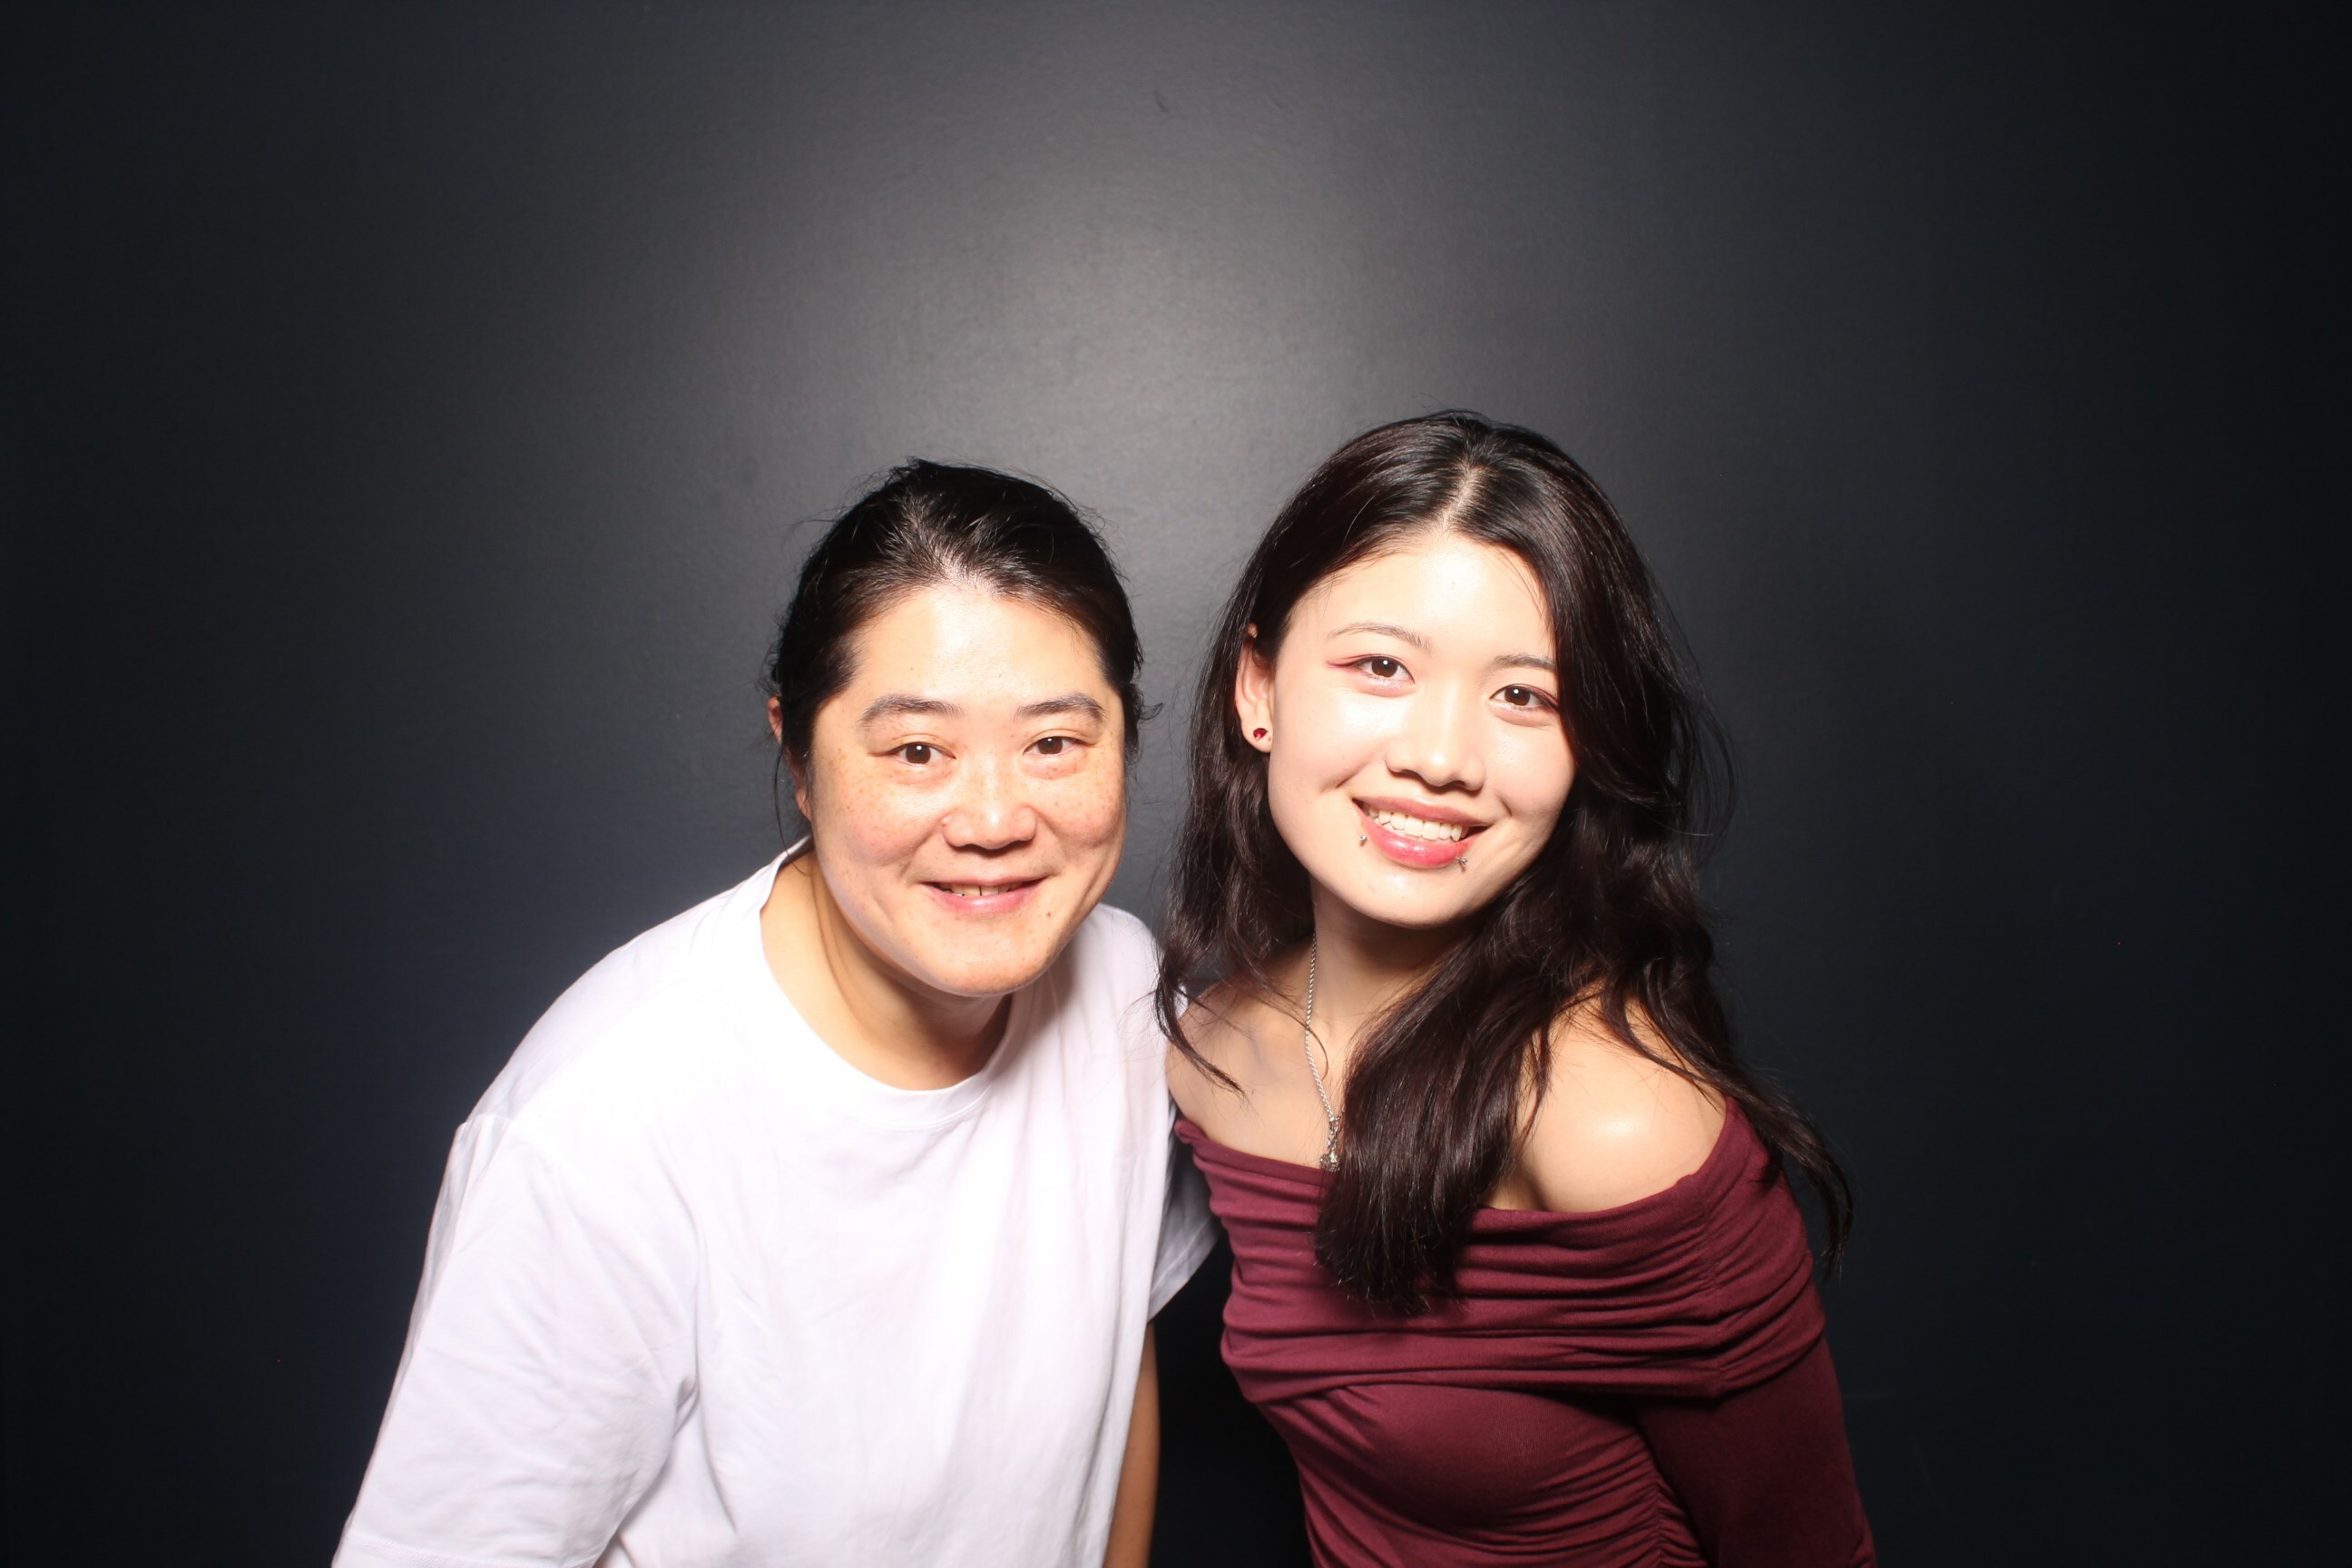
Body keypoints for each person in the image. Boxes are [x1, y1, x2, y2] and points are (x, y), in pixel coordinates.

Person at [337, 462, 1214, 1568]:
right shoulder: (600, 1127)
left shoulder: (1124, 995)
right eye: (917, 751)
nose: (995, 818)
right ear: (798, 755)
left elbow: (1117, 1370)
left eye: (1054, 743)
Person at [1160, 412, 1875, 1566]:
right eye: (1381, 667)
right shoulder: (1213, 1050)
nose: (1442, 757)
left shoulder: (1612, 1119)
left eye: (1525, 697)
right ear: (1261, 686)